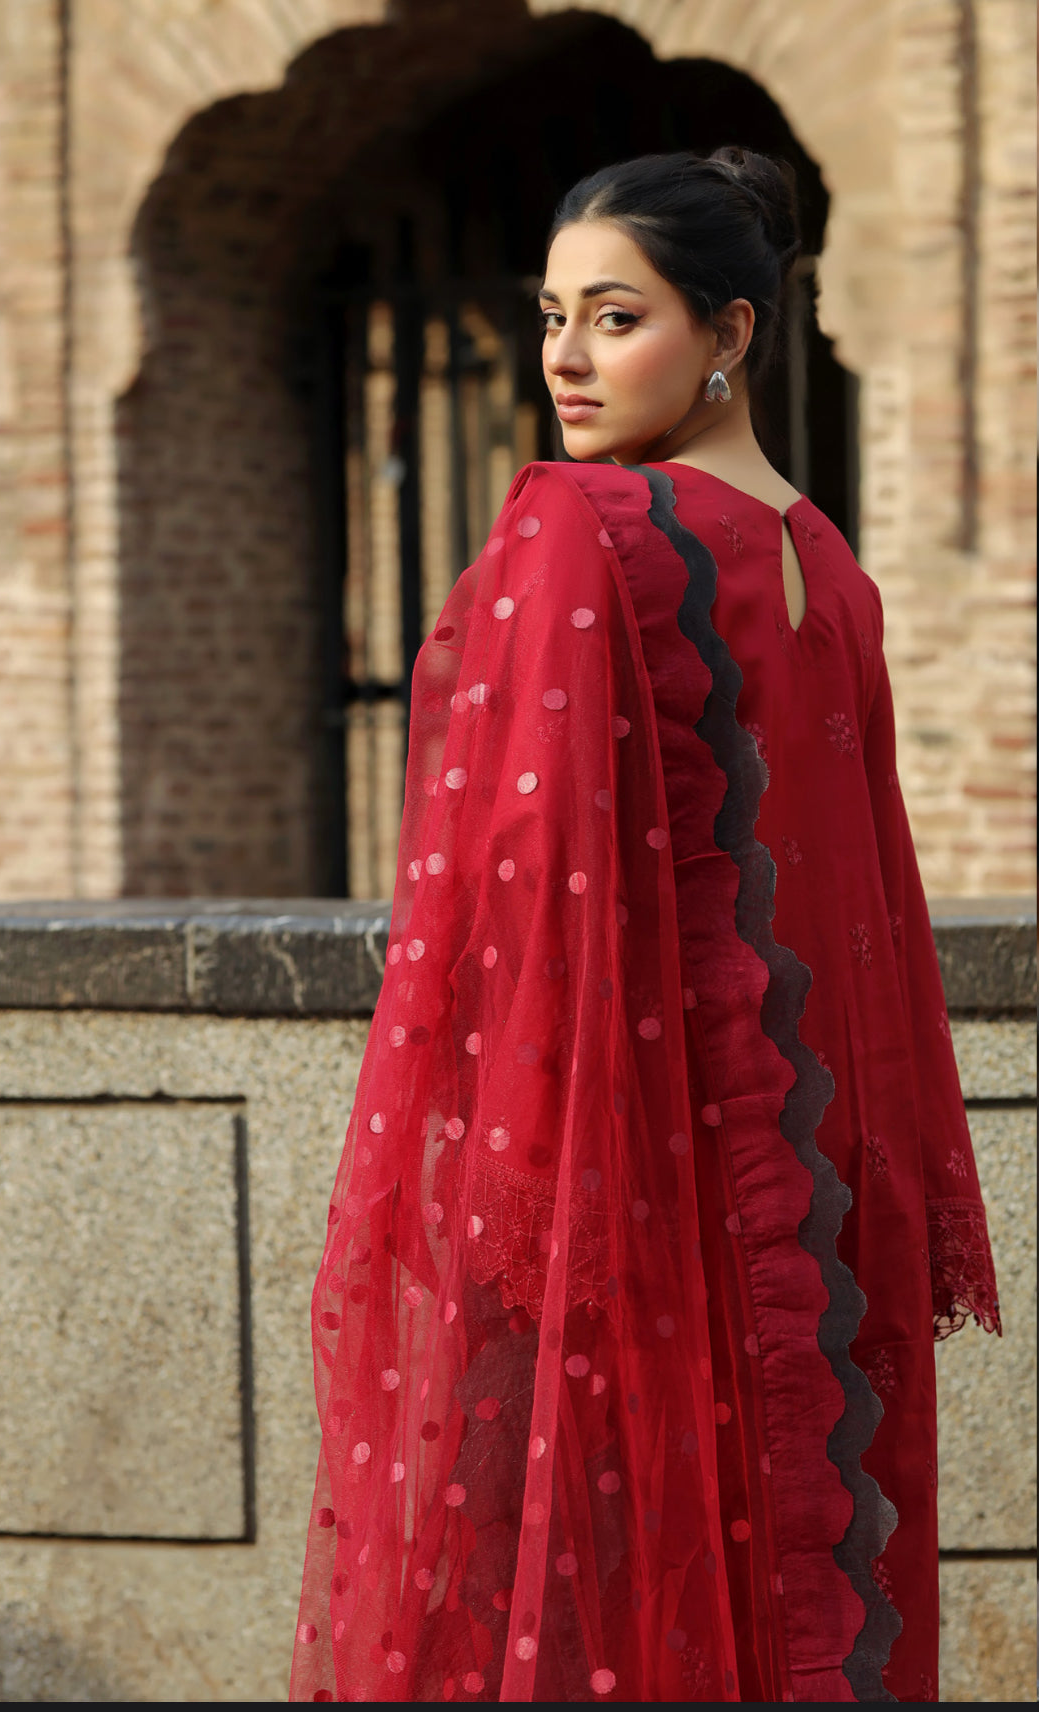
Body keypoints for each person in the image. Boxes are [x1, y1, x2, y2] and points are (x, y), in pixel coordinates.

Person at [291, 148, 999, 1705]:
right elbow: (870, 913)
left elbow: (518, 892)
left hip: (640, 1196)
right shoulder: (832, 564)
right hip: (824, 1202)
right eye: (553, 316)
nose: (563, 357)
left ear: (729, 331)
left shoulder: (590, 528)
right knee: (804, 1616)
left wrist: (500, 1208)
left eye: (615, 319)